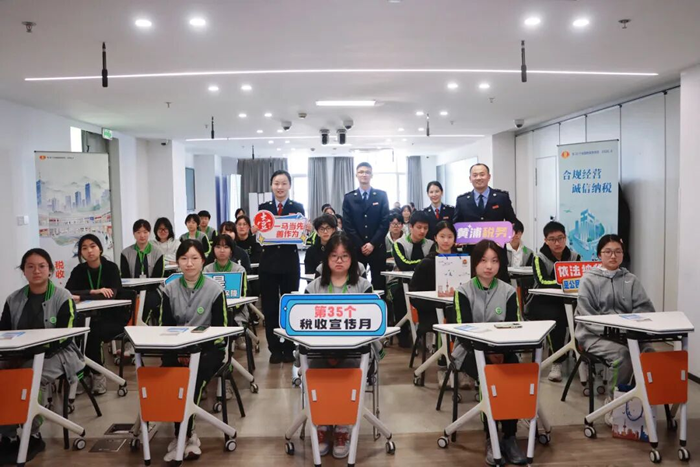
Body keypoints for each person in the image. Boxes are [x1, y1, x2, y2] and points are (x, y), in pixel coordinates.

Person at [0, 249, 83, 463]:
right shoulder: (13, 299)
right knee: (4, 376)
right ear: (23, 271)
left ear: (50, 270)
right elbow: (4, 332)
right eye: (30, 266)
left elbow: (65, 336)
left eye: (41, 266)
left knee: (28, 376)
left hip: (59, 354)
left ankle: (34, 434)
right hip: (19, 354)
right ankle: (7, 435)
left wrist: (31, 352)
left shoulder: (62, 297)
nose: (36, 271)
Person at [453, 240, 526, 466]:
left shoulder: (508, 291)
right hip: (469, 351)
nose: (489, 266)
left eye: (494, 261)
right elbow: (463, 332)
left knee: (513, 376)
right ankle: (491, 437)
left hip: (504, 350)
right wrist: (486, 353)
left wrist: (500, 351)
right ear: (474, 263)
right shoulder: (463, 291)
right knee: (490, 377)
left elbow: (514, 327)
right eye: (483, 260)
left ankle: (509, 436)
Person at [304, 233, 373, 459]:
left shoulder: (364, 287)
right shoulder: (313, 288)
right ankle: (322, 426)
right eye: (334, 256)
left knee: (351, 367)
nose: (339, 261)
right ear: (326, 259)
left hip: (354, 351)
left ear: (352, 258)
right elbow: (304, 325)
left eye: (345, 256)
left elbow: (371, 326)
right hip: (318, 351)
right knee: (315, 367)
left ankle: (343, 428)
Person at [159, 240, 227, 462]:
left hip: (208, 351)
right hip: (177, 350)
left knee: (192, 380)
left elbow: (221, 333)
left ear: (203, 261)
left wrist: (197, 353)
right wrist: (179, 352)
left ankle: (183, 435)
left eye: (194, 258)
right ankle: (186, 436)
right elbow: (164, 329)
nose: (189, 264)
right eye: (184, 258)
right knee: (170, 378)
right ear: (178, 262)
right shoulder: (169, 290)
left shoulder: (215, 290)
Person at [576, 235, 655, 422]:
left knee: (649, 354)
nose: (613, 256)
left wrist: (632, 328)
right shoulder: (588, 280)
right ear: (599, 255)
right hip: (594, 334)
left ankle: (639, 403)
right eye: (608, 252)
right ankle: (613, 403)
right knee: (622, 356)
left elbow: (645, 308)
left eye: (618, 251)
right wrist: (611, 330)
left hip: (627, 334)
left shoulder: (631, 280)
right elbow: (587, 315)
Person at [408, 221, 470, 387]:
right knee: (446, 323)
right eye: (442, 236)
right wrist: (435, 303)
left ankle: (464, 368)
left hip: (457, 311)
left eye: (450, 237)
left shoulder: (463, 261)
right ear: (435, 238)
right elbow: (414, 295)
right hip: (433, 312)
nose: (446, 241)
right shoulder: (426, 263)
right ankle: (444, 368)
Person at [66, 234, 126, 395]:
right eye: (84, 248)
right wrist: (93, 291)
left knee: (92, 333)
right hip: (85, 316)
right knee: (75, 334)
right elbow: (69, 292)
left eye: (93, 246)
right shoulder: (79, 270)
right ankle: (84, 374)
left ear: (100, 248)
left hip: (111, 317)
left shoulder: (110, 268)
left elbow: (111, 294)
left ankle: (98, 374)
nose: (89, 251)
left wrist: (83, 295)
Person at [258, 170, 305, 364]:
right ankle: (274, 348)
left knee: (289, 306)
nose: (280, 187)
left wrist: (306, 229)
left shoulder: (297, 207)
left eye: (284, 183)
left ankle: (289, 347)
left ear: (289, 186)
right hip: (268, 264)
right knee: (270, 308)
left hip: (289, 264)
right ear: (271, 186)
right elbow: (260, 235)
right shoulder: (264, 208)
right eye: (276, 183)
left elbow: (302, 237)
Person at [525, 221, 580, 383]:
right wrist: (566, 284)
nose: (557, 243)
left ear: (565, 238)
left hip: (569, 301)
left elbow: (581, 279)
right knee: (557, 319)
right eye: (552, 239)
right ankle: (557, 362)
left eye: (560, 238)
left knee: (582, 317)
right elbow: (542, 281)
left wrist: (567, 285)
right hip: (542, 302)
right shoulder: (539, 258)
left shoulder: (575, 257)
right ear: (545, 240)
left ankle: (582, 359)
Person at [453, 163, 517, 283]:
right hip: (472, 254)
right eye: (475, 175)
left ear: (489, 177)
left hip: (497, 253)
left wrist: (513, 232)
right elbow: (456, 225)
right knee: (472, 288)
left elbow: (513, 221)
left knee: (499, 288)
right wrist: (456, 239)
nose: (478, 178)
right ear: (470, 178)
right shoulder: (462, 201)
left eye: (482, 174)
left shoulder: (501, 197)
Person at [342, 162, 390, 291]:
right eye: (361, 172)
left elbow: (385, 222)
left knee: (379, 283)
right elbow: (347, 224)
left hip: (377, 247)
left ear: (371, 175)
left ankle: (380, 304)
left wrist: (372, 244)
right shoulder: (349, 198)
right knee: (356, 283)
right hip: (356, 248)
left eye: (367, 172)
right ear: (356, 175)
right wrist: (361, 245)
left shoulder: (381, 195)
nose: (364, 175)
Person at [392, 211, 434, 346]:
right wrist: (424, 262)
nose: (422, 231)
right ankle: (403, 335)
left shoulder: (431, 244)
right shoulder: (399, 244)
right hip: (405, 283)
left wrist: (421, 264)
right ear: (411, 227)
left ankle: (427, 334)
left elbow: (433, 263)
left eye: (425, 228)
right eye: (419, 227)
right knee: (399, 297)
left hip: (426, 285)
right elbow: (404, 265)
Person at [204, 234, 249, 352]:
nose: (222, 250)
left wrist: (228, 310)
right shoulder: (207, 270)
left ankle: (225, 351)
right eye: (218, 247)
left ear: (231, 250)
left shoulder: (239, 270)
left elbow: (243, 296)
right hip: (211, 312)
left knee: (227, 318)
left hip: (236, 312)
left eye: (226, 247)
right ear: (213, 249)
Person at [121, 219, 165, 324]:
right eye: (138, 232)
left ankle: (139, 324)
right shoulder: (125, 253)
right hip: (132, 290)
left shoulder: (158, 252)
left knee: (148, 301)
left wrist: (144, 292)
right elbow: (125, 275)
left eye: (145, 232)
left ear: (149, 233)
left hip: (153, 289)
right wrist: (135, 292)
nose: (142, 235)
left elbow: (157, 277)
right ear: (134, 234)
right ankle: (129, 326)